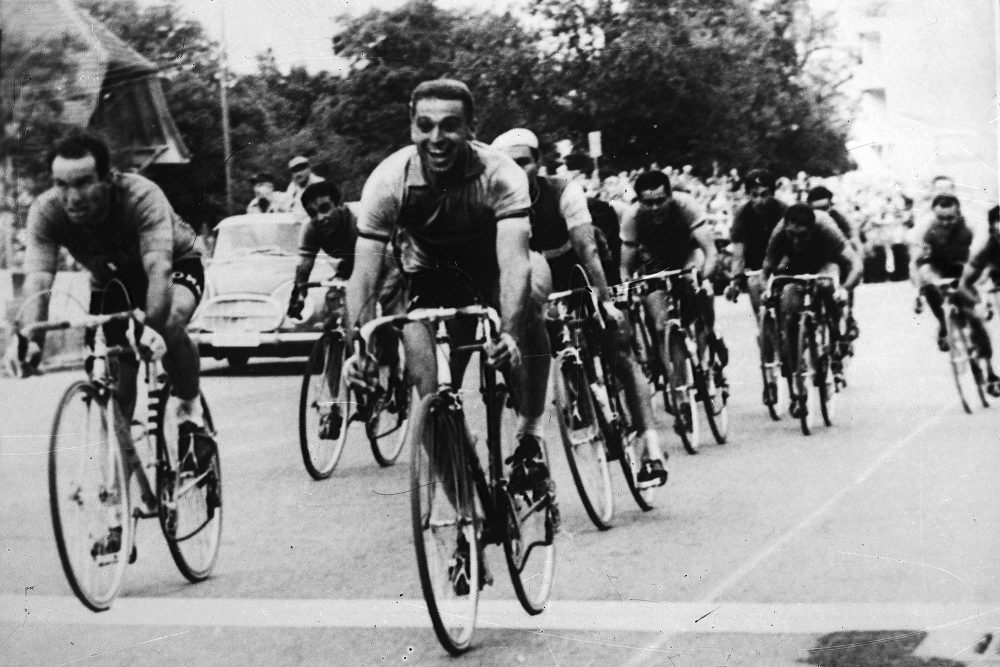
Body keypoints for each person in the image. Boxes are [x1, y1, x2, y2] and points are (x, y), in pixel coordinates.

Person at [344, 80, 556, 526]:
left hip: (491, 270)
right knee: (431, 400)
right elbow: (363, 274)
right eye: (425, 126)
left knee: (534, 288)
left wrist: (510, 334)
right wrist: (357, 347)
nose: (436, 138)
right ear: (412, 125)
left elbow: (515, 265)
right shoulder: (388, 180)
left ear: (471, 128)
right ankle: (468, 514)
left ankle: (532, 432)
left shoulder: (500, 173)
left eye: (450, 126)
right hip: (430, 279)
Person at [5, 128, 216, 474]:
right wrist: (31, 339)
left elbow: (159, 269)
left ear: (109, 178)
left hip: (173, 264)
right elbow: (39, 279)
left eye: (84, 182)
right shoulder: (46, 211)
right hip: (112, 281)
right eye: (61, 184)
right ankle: (121, 465)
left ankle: (190, 413)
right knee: (114, 374)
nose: (72, 197)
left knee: (168, 322)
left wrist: (152, 329)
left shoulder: (141, 196)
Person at [491, 128, 667, 487]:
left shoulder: (562, 190)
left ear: (538, 163)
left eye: (523, 162)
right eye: (508, 164)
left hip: (580, 266)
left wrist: (606, 302)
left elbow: (587, 250)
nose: (516, 170)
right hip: (535, 276)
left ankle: (651, 448)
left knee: (620, 349)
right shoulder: (495, 201)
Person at [287, 180, 402, 439]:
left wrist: (375, 303)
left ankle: (394, 377)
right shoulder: (311, 229)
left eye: (326, 208)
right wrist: (298, 295)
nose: (320, 217)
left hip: (385, 263)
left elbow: (381, 266)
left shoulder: (359, 221)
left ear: (341, 205)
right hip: (351, 266)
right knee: (333, 324)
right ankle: (332, 405)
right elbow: (304, 267)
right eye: (313, 213)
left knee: (376, 320)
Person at [620, 169, 728, 392]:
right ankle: (678, 386)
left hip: (687, 254)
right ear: (639, 201)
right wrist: (627, 287)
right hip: (656, 262)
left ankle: (709, 339)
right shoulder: (632, 217)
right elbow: (625, 265)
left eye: (660, 201)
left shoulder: (686, 205)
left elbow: (709, 251)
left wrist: (702, 277)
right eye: (647, 203)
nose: (654, 208)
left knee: (698, 290)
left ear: (670, 195)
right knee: (660, 325)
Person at [760, 203, 863, 408]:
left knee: (826, 285)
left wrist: (844, 289)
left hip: (826, 260)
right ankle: (796, 371)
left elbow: (856, 265)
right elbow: (766, 269)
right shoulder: (780, 232)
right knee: (788, 304)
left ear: (812, 228)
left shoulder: (826, 228)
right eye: (793, 235)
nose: (797, 240)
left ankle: (836, 332)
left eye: (802, 235)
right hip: (795, 263)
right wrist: (766, 290)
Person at [910, 194, 975, 351]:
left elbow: (978, 258)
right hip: (938, 266)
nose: (945, 223)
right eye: (940, 218)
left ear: (958, 213)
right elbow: (916, 262)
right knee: (928, 280)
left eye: (950, 218)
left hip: (961, 266)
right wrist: (918, 292)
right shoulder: (927, 230)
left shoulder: (969, 228)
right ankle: (943, 323)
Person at [727, 169, 787, 316]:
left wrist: (782, 267)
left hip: (782, 260)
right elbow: (738, 252)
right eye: (754, 195)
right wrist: (736, 277)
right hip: (756, 263)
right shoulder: (742, 214)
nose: (759, 200)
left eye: (764, 194)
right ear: (748, 194)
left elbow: (790, 244)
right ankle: (763, 325)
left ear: (772, 193)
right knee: (753, 284)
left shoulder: (784, 210)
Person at [806, 185, 861, 341]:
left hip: (837, 256)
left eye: (825, 208)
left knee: (846, 276)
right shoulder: (804, 218)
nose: (822, 213)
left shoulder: (839, 218)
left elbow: (854, 240)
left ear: (831, 205)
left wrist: (855, 259)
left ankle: (849, 316)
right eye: (816, 209)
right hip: (815, 259)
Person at [956, 204, 1000, 394]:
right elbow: (964, 283)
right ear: (993, 229)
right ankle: (989, 368)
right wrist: (978, 304)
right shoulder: (988, 248)